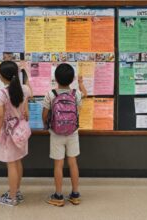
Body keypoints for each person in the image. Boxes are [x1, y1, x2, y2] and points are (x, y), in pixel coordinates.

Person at [42, 63, 87, 207]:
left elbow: (45, 114)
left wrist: (46, 125)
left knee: (58, 165)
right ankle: (75, 194)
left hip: (56, 133)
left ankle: (59, 195)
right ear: (72, 79)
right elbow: (83, 99)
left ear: (56, 78)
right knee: (73, 162)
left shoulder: (51, 94)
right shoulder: (76, 94)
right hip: (73, 133)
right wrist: (80, 83)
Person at [0, 61, 31, 206]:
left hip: (8, 133)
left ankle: (12, 197)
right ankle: (17, 191)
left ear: (2, 76)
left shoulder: (1, 93)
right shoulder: (25, 89)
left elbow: (0, 116)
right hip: (21, 131)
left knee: (11, 164)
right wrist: (25, 73)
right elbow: (29, 95)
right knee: (18, 161)